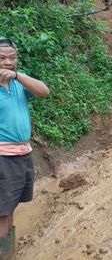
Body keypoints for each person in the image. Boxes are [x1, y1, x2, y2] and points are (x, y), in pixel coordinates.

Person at [0, 37, 50, 259]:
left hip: (22, 154)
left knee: (9, 209)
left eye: (12, 58)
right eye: (2, 58)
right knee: (1, 212)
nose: (8, 62)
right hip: (3, 157)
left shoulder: (20, 83)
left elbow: (44, 91)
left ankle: (8, 252)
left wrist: (18, 76)